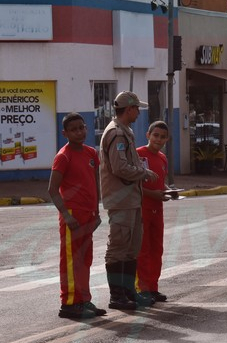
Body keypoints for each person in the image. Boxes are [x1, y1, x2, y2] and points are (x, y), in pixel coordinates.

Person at [100, 91, 159, 310]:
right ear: (129, 109)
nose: (138, 112)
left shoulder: (125, 131)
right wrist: (143, 173)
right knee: (118, 246)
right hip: (120, 198)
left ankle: (128, 292)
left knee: (131, 247)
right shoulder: (116, 133)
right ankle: (117, 296)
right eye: (136, 109)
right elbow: (119, 167)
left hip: (131, 198)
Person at [48, 112, 106, 320]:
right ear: (65, 133)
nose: (79, 132)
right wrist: (66, 214)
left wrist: (97, 212)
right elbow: (52, 189)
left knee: (85, 259)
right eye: (74, 129)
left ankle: (83, 300)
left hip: (89, 214)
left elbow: (95, 183)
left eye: (81, 128)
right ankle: (70, 303)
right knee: (72, 260)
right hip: (72, 215)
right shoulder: (63, 156)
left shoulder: (91, 153)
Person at [136, 121, 171, 303]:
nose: (158, 139)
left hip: (158, 209)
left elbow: (160, 182)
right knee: (143, 249)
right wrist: (153, 194)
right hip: (142, 210)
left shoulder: (163, 158)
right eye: (155, 135)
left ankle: (153, 287)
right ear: (148, 135)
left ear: (167, 139)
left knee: (157, 249)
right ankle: (142, 289)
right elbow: (133, 185)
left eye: (162, 136)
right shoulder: (138, 155)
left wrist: (168, 191)